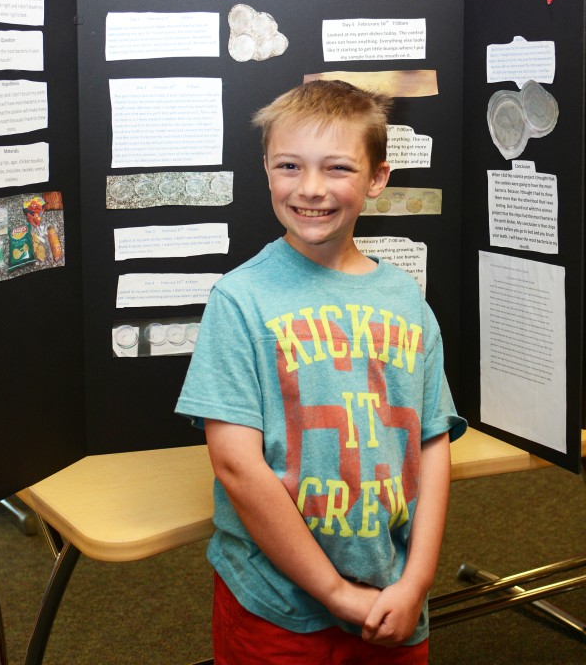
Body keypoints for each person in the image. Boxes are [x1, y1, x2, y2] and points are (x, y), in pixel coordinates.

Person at [176, 79, 466, 664]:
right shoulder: (240, 300)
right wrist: (334, 592)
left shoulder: (407, 300)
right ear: (266, 170)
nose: (311, 188)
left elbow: (431, 442)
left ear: (377, 178)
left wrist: (416, 582)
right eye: (290, 166)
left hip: (392, 597)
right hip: (276, 606)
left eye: (337, 168)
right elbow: (236, 465)